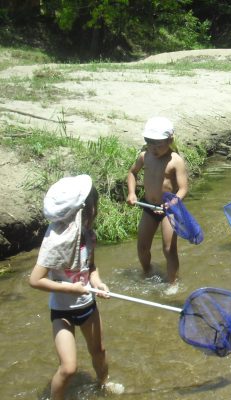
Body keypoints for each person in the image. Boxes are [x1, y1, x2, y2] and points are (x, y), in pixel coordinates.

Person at [29, 175, 123, 399]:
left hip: (88, 306)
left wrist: (98, 283)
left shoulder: (88, 235)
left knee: (99, 352)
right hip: (62, 312)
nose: (95, 212)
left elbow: (91, 267)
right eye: (94, 207)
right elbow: (35, 280)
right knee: (69, 367)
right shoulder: (55, 240)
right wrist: (73, 289)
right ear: (86, 210)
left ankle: (103, 383)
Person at [127, 117, 189, 286]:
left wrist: (172, 204)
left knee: (169, 249)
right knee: (142, 247)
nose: (154, 148)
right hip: (149, 206)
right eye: (150, 142)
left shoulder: (175, 161)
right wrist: (132, 193)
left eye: (159, 144)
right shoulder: (144, 156)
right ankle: (147, 272)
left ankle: (172, 283)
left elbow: (183, 188)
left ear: (170, 140)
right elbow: (132, 173)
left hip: (169, 209)